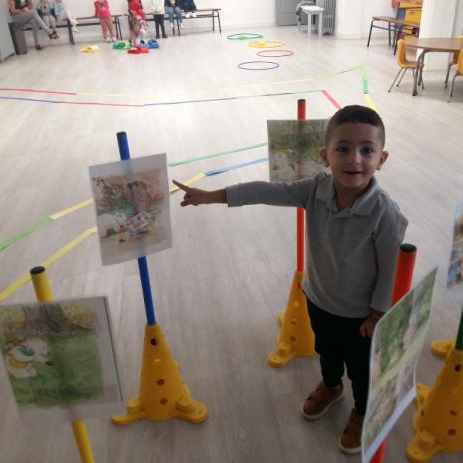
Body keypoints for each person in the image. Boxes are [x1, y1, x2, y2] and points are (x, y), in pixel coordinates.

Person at [172, 105, 408, 455]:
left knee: (361, 368)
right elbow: (266, 191)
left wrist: (377, 314)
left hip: (361, 317)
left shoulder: (385, 214)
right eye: (343, 148)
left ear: (381, 158)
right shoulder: (315, 189)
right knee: (326, 351)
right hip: (318, 299)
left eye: (367, 150)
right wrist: (212, 196)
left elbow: (391, 268)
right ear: (325, 155)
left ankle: (362, 410)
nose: (354, 159)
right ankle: (331, 386)